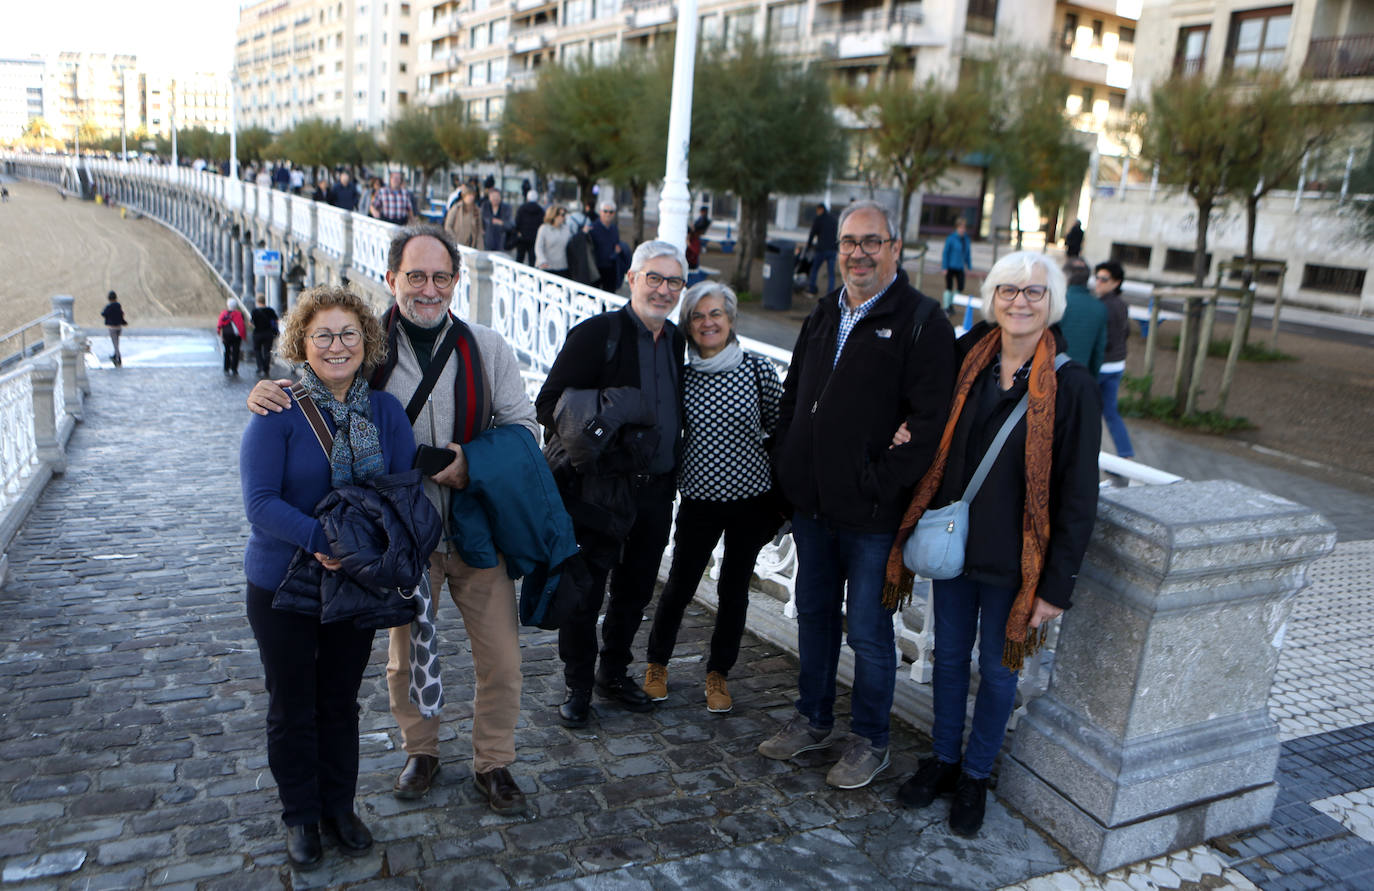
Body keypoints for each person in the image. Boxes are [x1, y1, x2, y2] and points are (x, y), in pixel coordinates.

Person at [247, 225, 539, 816]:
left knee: (502, 658)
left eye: (439, 277)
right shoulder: (369, 347)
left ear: (456, 281)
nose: (427, 289)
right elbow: (317, 385)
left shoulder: (488, 347)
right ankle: (421, 749)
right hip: (399, 542)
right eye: (415, 276)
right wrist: (265, 391)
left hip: (478, 529)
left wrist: (472, 463)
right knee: (405, 659)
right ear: (391, 279)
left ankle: (495, 760)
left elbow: (526, 430)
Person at [888, 251, 1101, 837]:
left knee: (999, 673)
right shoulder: (969, 361)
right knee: (948, 660)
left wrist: (1057, 586)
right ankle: (945, 761)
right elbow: (926, 412)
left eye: (1034, 292)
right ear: (992, 297)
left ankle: (977, 775)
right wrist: (906, 427)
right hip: (954, 549)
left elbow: (1079, 492)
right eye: (1009, 289)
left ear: (1051, 303)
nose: (1020, 301)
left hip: (1017, 562)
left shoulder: (1072, 383)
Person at [757, 199, 956, 790]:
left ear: (895, 248)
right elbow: (796, 397)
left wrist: (878, 483)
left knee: (869, 633)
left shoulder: (922, 321)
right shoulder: (823, 312)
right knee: (815, 617)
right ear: (836, 248)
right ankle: (812, 719)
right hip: (813, 508)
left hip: (871, 516)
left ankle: (870, 739)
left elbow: (928, 424)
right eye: (849, 241)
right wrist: (788, 465)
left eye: (872, 241)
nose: (859, 253)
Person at [239, 285, 418, 869]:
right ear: (302, 342)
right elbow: (260, 503)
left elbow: (398, 493)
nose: (336, 346)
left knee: (340, 702)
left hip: (354, 583)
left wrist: (364, 550)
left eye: (348, 335)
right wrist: (326, 542)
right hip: (283, 581)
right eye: (323, 335)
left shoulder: (386, 412)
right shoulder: (277, 409)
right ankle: (301, 816)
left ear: (366, 341)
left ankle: (340, 806)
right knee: (292, 705)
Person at [536, 240, 688, 728]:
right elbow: (549, 404)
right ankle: (578, 684)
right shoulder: (596, 334)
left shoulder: (678, 340)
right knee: (585, 591)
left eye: (673, 282)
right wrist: (608, 433)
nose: (663, 290)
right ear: (632, 278)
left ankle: (613, 671)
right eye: (654, 278)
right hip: (598, 492)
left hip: (657, 490)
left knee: (636, 588)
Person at [642, 282, 782, 713]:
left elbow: (780, 431)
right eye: (698, 316)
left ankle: (718, 672)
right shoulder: (680, 376)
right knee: (679, 585)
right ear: (688, 326)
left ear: (731, 319)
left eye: (716, 314)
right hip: (699, 500)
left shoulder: (758, 370)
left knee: (733, 590)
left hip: (751, 501)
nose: (708, 323)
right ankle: (656, 664)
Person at [1094, 260, 1134, 459]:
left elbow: (1103, 340)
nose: (1098, 282)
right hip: (1117, 365)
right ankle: (1125, 454)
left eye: (1104, 279)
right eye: (1097, 278)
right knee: (1111, 413)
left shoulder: (1102, 307)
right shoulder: (1122, 305)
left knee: (1087, 412)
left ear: (1116, 282)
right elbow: (1125, 332)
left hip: (1102, 367)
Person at [1058, 257, 1106, 376]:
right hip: (1081, 376)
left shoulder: (1057, 302)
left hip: (1051, 375)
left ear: (1065, 276)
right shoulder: (1100, 307)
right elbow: (1099, 350)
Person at [802, 203, 838, 295]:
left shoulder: (819, 219)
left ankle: (812, 288)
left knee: (814, 269)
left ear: (820, 209)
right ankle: (830, 292)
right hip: (833, 249)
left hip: (821, 249)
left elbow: (812, 234)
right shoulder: (834, 219)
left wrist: (808, 246)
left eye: (817, 210)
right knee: (831, 273)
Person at [588, 201, 624, 293]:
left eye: (611, 212)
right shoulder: (592, 228)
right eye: (605, 211)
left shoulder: (614, 228)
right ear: (600, 212)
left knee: (609, 294)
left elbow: (616, 244)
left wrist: (616, 252)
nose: (608, 214)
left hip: (610, 267)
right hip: (596, 269)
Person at [941, 218, 973, 311]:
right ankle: (946, 306)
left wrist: (969, 265)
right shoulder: (951, 238)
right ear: (956, 228)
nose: (962, 229)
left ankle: (951, 303)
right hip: (950, 266)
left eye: (963, 227)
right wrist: (944, 267)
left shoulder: (966, 239)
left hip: (960, 267)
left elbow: (967, 253)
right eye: (960, 227)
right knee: (949, 287)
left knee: (960, 286)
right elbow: (945, 252)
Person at [535, 205, 571, 276]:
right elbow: (538, 247)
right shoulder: (544, 229)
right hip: (547, 268)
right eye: (562, 215)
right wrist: (542, 260)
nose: (564, 217)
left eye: (565, 215)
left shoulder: (566, 229)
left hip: (562, 268)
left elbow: (572, 244)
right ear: (554, 215)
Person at [444, 184, 483, 249]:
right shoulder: (456, 208)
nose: (471, 197)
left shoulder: (477, 210)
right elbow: (448, 226)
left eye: (472, 195)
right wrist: (454, 240)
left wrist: (480, 248)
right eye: (469, 195)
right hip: (456, 244)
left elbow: (479, 231)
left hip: (470, 246)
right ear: (464, 196)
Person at [251, 296, 281, 377]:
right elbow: (276, 320)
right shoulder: (270, 310)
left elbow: (252, 323)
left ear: (257, 301)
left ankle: (260, 365)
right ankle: (266, 368)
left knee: (257, 350)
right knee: (267, 351)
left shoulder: (254, 311)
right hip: (268, 333)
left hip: (257, 333)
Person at [218, 297, 248, 376]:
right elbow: (242, 326)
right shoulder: (239, 314)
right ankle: (234, 368)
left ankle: (226, 367)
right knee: (235, 352)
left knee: (227, 352)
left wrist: (220, 335)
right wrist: (243, 335)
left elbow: (220, 325)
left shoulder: (223, 314)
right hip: (236, 336)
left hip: (226, 335)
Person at [513, 190, 544, 266]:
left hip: (522, 237)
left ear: (527, 198)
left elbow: (517, 222)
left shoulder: (522, 208)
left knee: (519, 258)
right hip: (534, 238)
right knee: (532, 260)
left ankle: (516, 275)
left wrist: (518, 231)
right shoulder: (540, 210)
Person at [482, 188, 513, 254]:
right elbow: (481, 222)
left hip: (502, 244)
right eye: (493, 196)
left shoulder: (507, 208)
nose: (495, 199)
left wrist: (500, 222)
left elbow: (510, 225)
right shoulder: (485, 207)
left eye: (497, 196)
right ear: (489, 197)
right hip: (487, 243)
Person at [102, 290, 127, 367]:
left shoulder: (109, 307)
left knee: (115, 344)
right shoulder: (118, 305)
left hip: (112, 328)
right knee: (117, 343)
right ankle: (115, 356)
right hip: (119, 327)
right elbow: (121, 314)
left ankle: (118, 358)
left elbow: (103, 313)